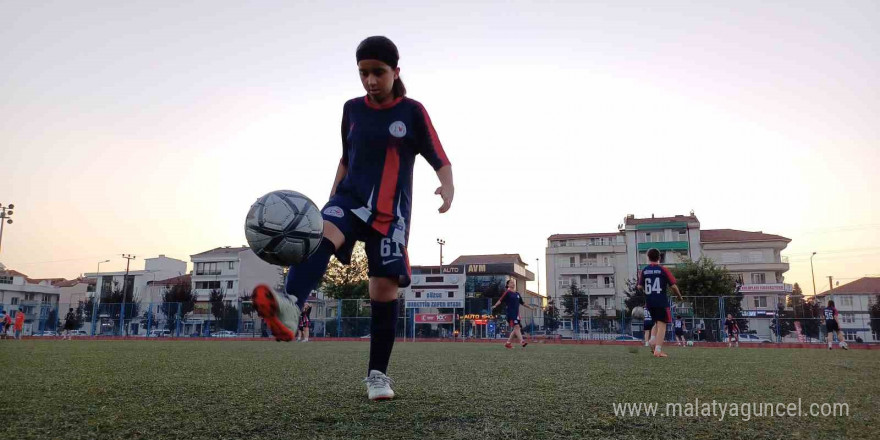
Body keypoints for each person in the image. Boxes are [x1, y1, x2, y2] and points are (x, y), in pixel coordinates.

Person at [251, 36, 453, 401]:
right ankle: (291, 306)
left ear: (395, 71)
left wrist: (447, 186)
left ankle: (378, 376)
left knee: (383, 290)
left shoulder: (412, 112)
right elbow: (346, 157)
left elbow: (438, 155)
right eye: (364, 73)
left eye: (378, 72)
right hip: (349, 199)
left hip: (391, 216)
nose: (371, 80)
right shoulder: (351, 109)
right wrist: (332, 196)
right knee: (320, 233)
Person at [636, 248, 683, 358]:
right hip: (661, 301)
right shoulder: (663, 270)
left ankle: (652, 340)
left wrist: (647, 292)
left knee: (656, 322)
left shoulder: (644, 270)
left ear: (648, 257)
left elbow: (639, 286)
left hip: (649, 302)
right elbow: (673, 286)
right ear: (659, 257)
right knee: (662, 325)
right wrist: (679, 296)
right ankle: (658, 350)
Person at [492, 279, 536, 349]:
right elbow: (500, 300)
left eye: (513, 282)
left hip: (517, 314)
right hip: (510, 313)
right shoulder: (507, 292)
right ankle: (522, 341)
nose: (513, 283)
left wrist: (530, 307)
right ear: (508, 285)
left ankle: (508, 343)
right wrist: (495, 305)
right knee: (517, 327)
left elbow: (522, 303)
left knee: (515, 329)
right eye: (511, 283)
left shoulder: (517, 294)